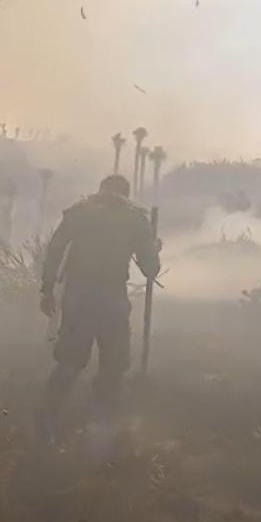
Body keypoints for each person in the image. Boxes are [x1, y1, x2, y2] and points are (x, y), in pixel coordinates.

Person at [37, 174, 160, 442]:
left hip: (79, 297)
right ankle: (100, 425)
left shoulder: (80, 213)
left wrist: (47, 289)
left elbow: (55, 249)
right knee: (113, 363)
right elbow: (151, 268)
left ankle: (48, 418)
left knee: (72, 359)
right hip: (111, 299)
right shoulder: (135, 220)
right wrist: (153, 249)